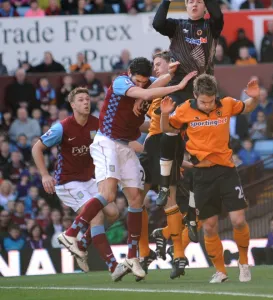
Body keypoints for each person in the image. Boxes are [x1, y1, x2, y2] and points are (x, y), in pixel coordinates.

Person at [58, 57, 196, 281]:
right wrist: (177, 85)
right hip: (107, 142)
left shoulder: (147, 81)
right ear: (129, 72)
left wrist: (171, 74)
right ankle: (71, 233)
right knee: (109, 194)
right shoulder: (121, 82)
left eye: (144, 81)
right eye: (138, 81)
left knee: (135, 199)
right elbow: (147, 94)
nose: (141, 84)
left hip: (125, 146)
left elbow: (154, 83)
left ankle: (133, 257)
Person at [160, 74, 260, 283]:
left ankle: (243, 263)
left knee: (238, 220)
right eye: (203, 101)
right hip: (201, 176)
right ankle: (221, 271)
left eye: (211, 100)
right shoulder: (185, 110)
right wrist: (164, 114)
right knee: (209, 226)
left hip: (227, 171)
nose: (207, 105)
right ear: (195, 95)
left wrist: (255, 97)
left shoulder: (226, 104)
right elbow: (167, 128)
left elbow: (248, 106)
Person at [32, 87, 123, 280]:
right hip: (67, 182)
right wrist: (44, 175)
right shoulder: (62, 127)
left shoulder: (97, 123)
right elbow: (36, 148)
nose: (86, 102)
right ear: (73, 105)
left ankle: (81, 245)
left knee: (114, 213)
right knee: (96, 215)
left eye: (88, 99)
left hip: (89, 180)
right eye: (81, 100)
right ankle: (113, 266)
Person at [152, 0, 224, 206]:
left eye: (198, 1)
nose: (194, 4)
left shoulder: (211, 26)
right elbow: (157, 24)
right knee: (169, 131)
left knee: (198, 151)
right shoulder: (177, 26)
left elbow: (218, 15)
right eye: (190, 1)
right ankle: (164, 185)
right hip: (179, 88)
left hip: (202, 92)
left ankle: (194, 207)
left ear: (204, 6)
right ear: (185, 6)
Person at [136, 51, 198, 280]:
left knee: (179, 204)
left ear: (170, 65)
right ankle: (147, 251)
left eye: (158, 64)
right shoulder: (158, 89)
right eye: (153, 64)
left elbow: (172, 125)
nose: (155, 69)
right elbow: (151, 124)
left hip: (166, 145)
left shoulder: (176, 90)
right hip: (153, 145)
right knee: (136, 197)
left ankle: (176, 253)